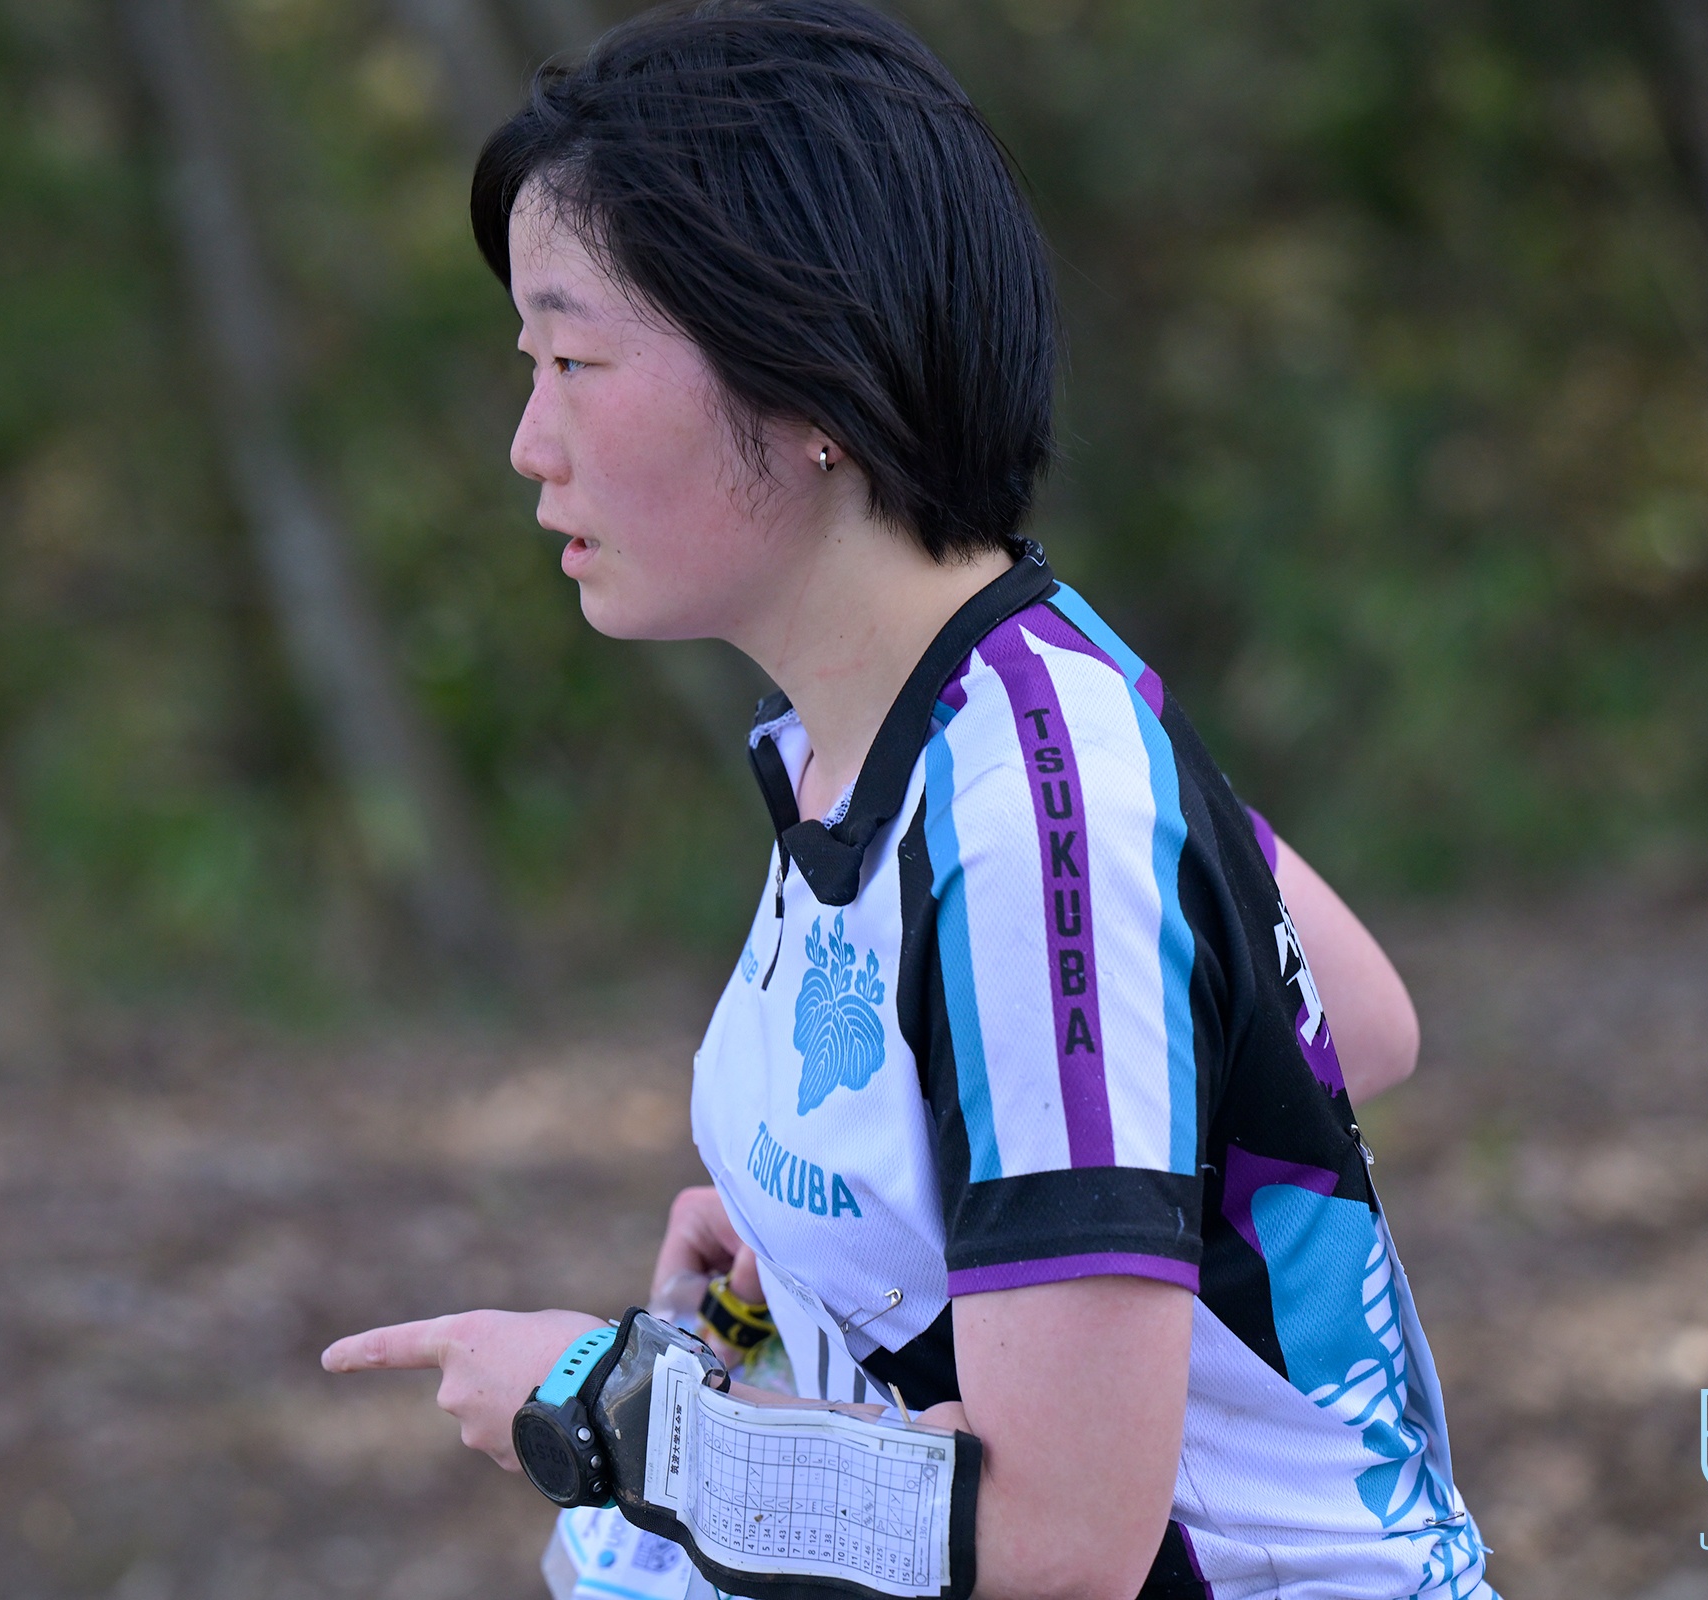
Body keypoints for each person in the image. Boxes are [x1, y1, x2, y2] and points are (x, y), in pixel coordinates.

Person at [323, 4, 1495, 1597]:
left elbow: (1063, 1545)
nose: (530, 443)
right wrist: (842, 1248)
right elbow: (1340, 1020)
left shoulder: (1029, 814)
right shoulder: (930, 698)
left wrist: (622, 1416)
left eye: (576, 361)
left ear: (810, 377)